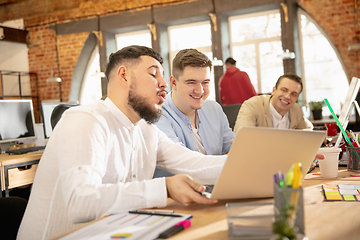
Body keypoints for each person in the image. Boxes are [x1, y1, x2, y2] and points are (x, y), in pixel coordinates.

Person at [17, 46, 227, 240]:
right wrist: (165, 187)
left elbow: (196, 164)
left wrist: (252, 163)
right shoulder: (85, 120)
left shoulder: (146, 130)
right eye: (154, 74)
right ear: (124, 75)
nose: (164, 84)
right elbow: (80, 202)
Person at [155, 49, 235, 156]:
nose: (200, 90)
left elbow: (233, 149)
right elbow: (184, 162)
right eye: (191, 82)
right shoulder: (157, 116)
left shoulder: (214, 109)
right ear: (174, 83)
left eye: (205, 82)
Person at [233, 73, 313, 133]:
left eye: (293, 94)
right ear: (274, 90)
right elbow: (243, 137)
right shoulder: (252, 105)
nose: (288, 96)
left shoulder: (296, 109)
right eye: (284, 90)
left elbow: (308, 131)